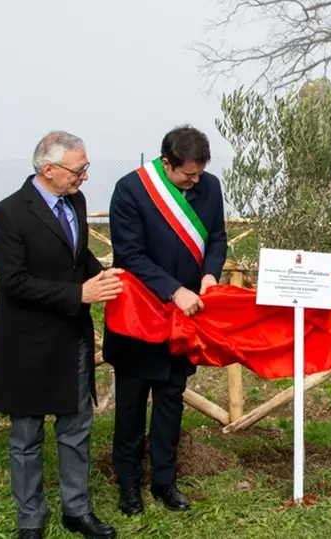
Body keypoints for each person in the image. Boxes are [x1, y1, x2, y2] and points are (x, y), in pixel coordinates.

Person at [0, 131, 121, 539]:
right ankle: (31, 520)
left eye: (85, 168)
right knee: (26, 436)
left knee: (76, 429)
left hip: (72, 337)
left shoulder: (75, 201)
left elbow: (75, 256)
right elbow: (15, 283)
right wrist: (79, 294)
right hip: (27, 343)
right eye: (79, 170)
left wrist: (104, 275)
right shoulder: (8, 214)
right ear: (49, 169)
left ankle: (76, 511)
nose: (84, 177)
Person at [104, 125, 228, 517]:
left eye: (199, 174)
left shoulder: (210, 188)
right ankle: (128, 483)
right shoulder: (131, 190)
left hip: (186, 317)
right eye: (187, 175)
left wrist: (210, 273)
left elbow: (218, 239)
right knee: (131, 404)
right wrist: (175, 290)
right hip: (140, 315)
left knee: (171, 400)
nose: (195, 182)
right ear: (166, 162)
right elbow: (130, 255)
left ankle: (164, 480)